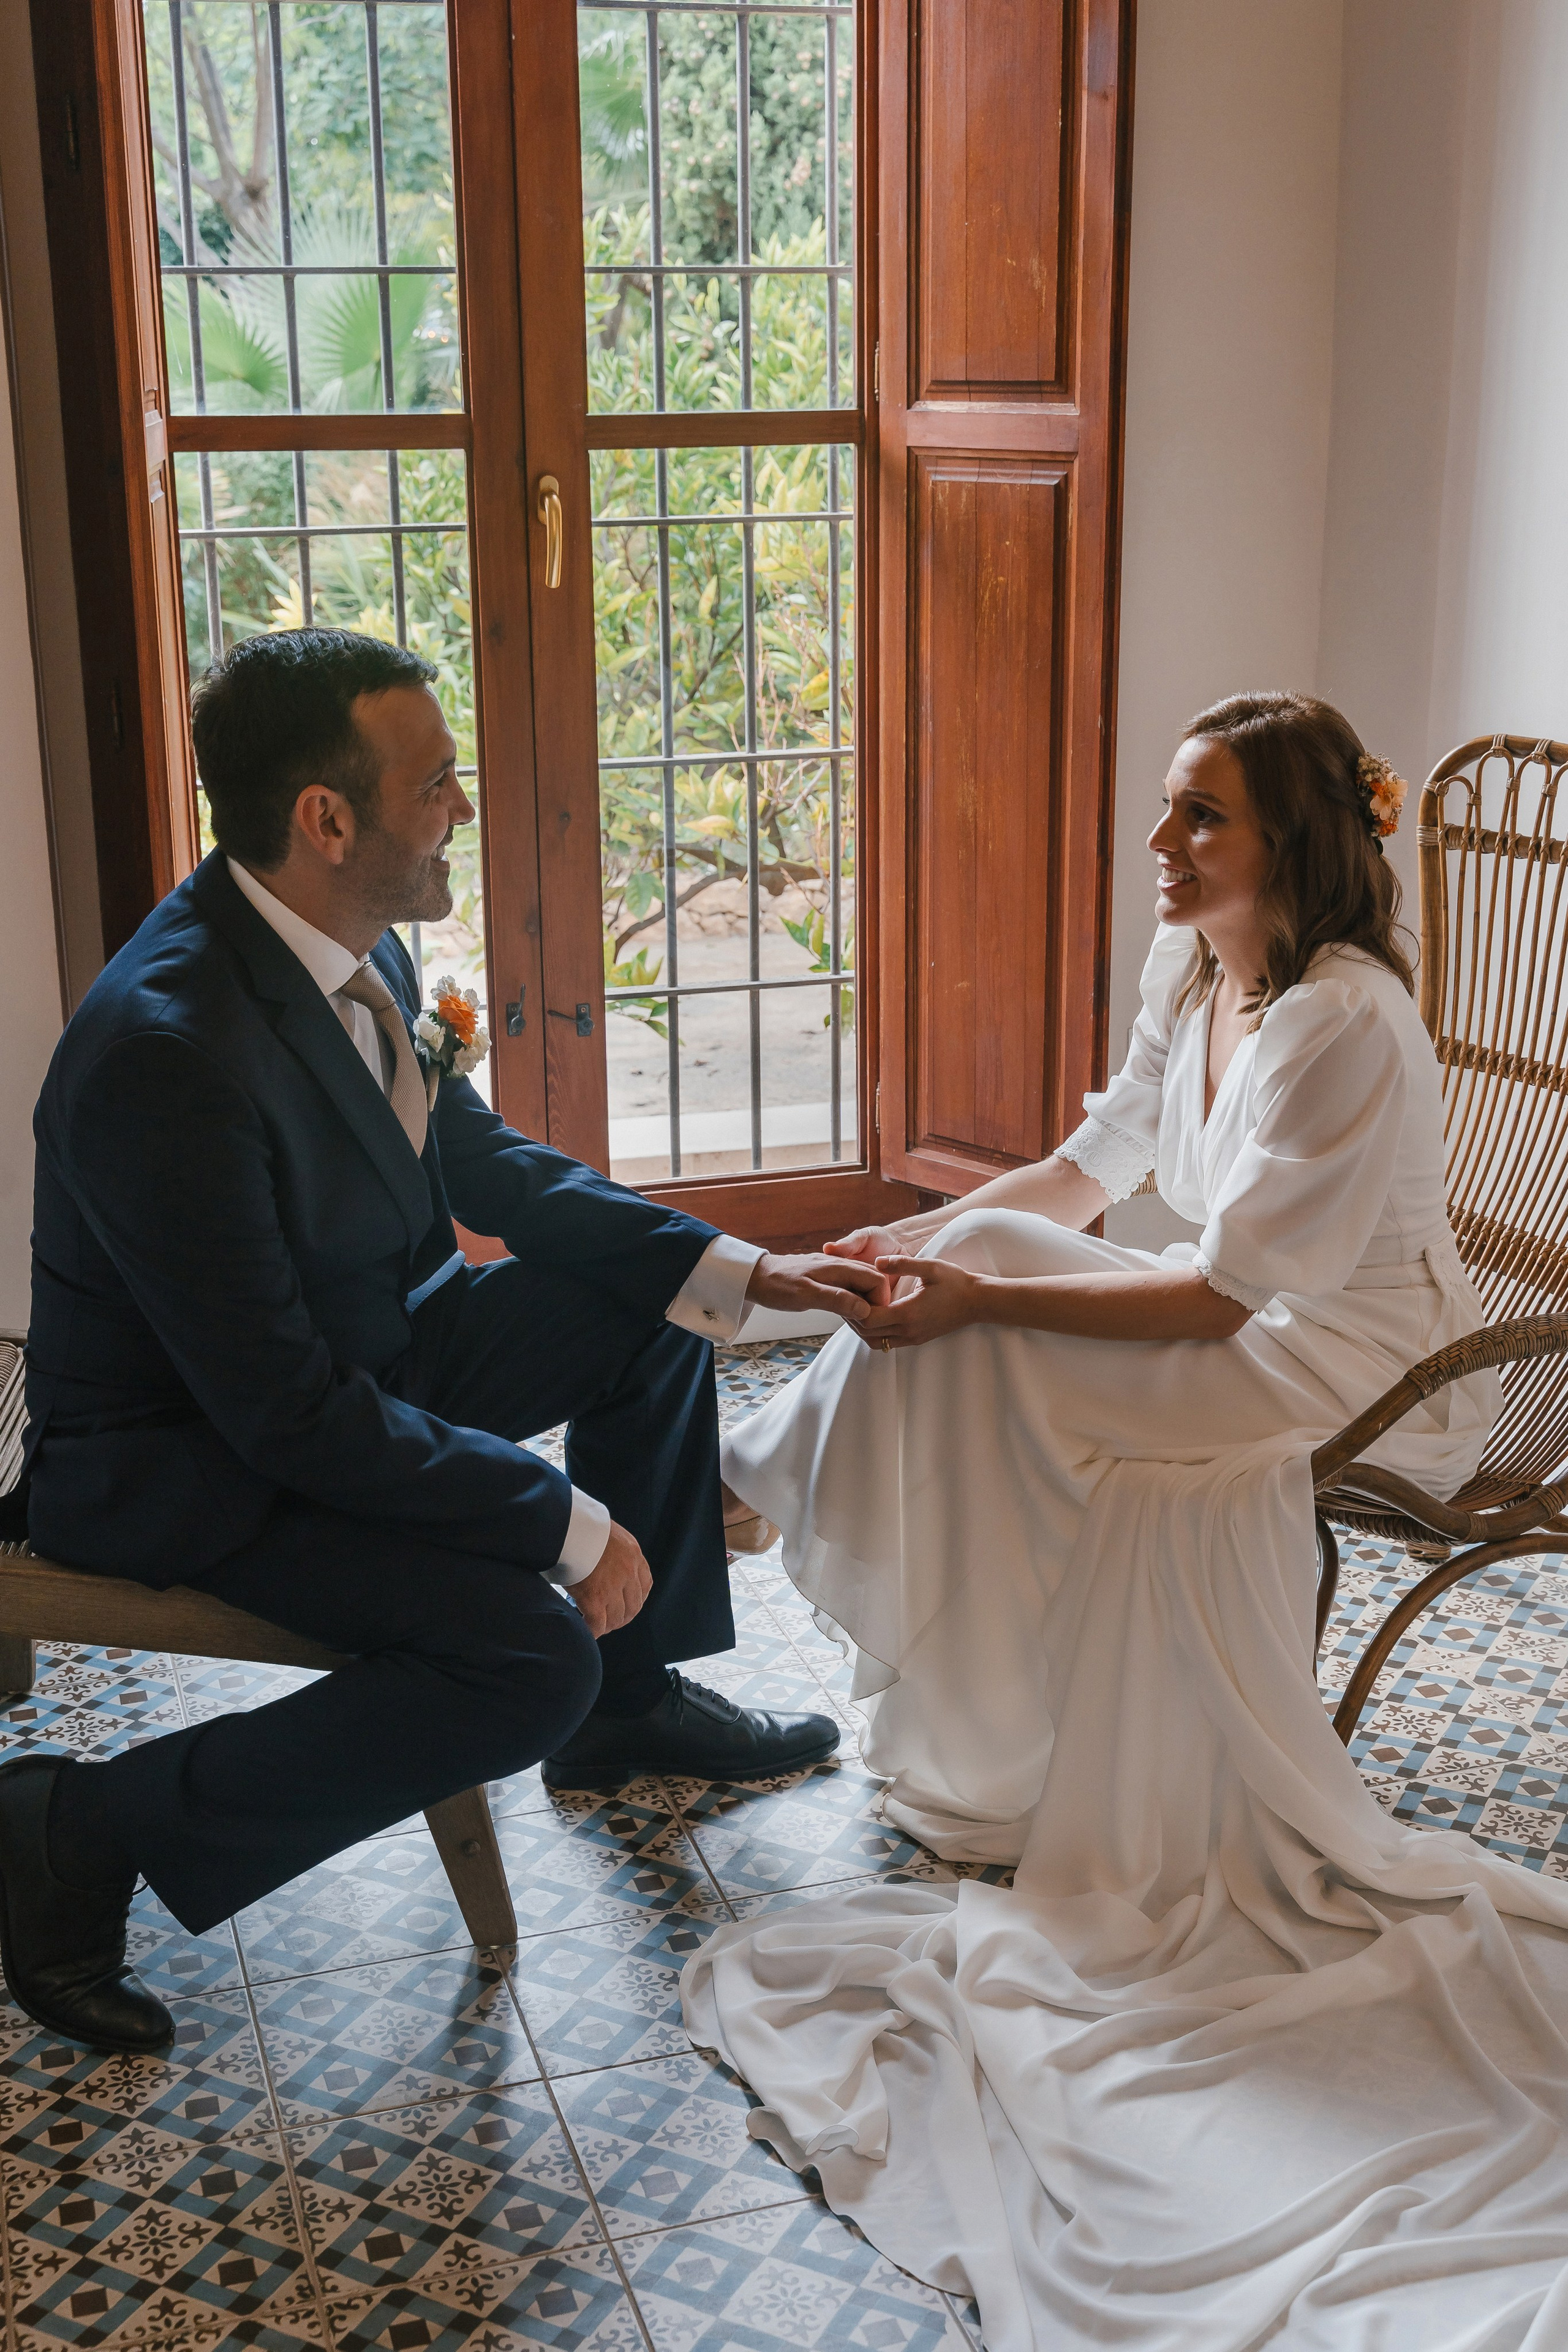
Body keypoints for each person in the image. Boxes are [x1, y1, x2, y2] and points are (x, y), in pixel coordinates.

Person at [686, 693, 1568, 2348]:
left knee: (985, 1325)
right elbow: (1092, 1170)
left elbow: (1229, 1293)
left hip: (1351, 1353)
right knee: (976, 1295)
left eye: (1200, 818)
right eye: (1169, 813)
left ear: (1291, 843)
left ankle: (745, 1488)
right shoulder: (1199, 972)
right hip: (1229, 1317)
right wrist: (922, 1245)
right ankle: (822, 1546)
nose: (1160, 846)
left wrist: (966, 1290)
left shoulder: (1345, 1023)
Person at [0, 627, 886, 2059]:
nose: (463, 809)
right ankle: (72, 1830)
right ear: (325, 818)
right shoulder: (162, 1055)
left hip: (363, 1358)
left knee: (649, 1308)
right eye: (437, 785)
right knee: (526, 1656)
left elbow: (472, 1160)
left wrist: (738, 1267)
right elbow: (284, 1416)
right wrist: (561, 1519)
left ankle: (635, 1698)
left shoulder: (355, 935)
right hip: (199, 1456)